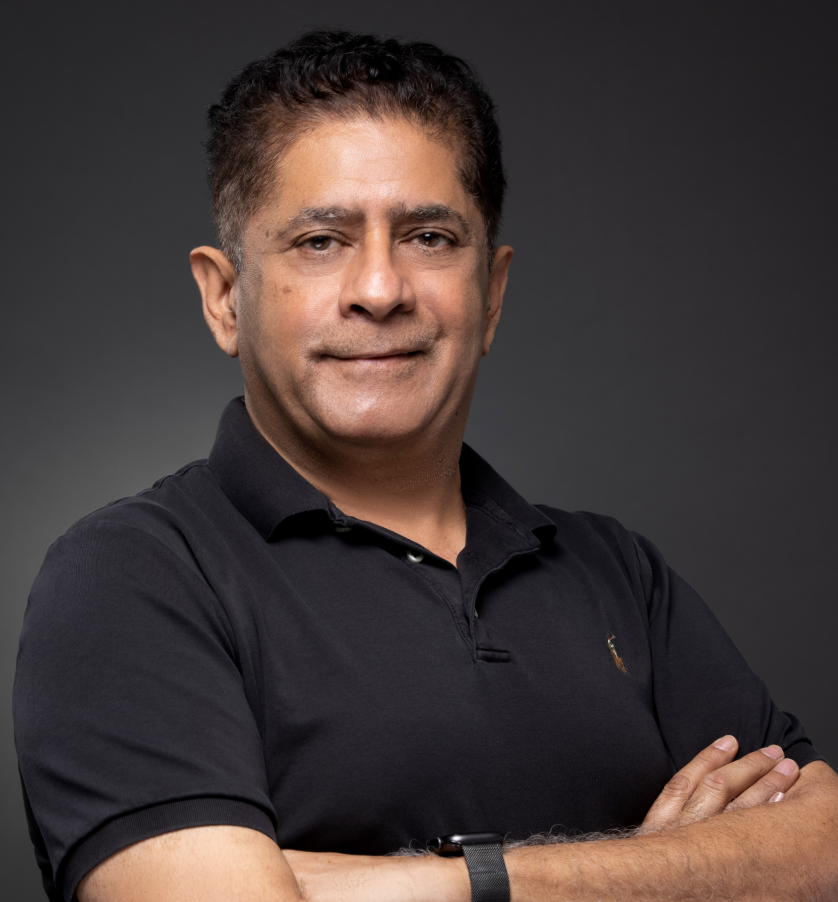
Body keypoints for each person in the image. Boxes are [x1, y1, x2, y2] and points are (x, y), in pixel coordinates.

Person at [14, 30, 838, 902]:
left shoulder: (619, 574)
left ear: (492, 294)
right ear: (224, 298)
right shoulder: (132, 577)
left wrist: (430, 883)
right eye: (320, 241)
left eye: (430, 237)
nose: (380, 289)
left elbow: (822, 846)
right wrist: (681, 871)